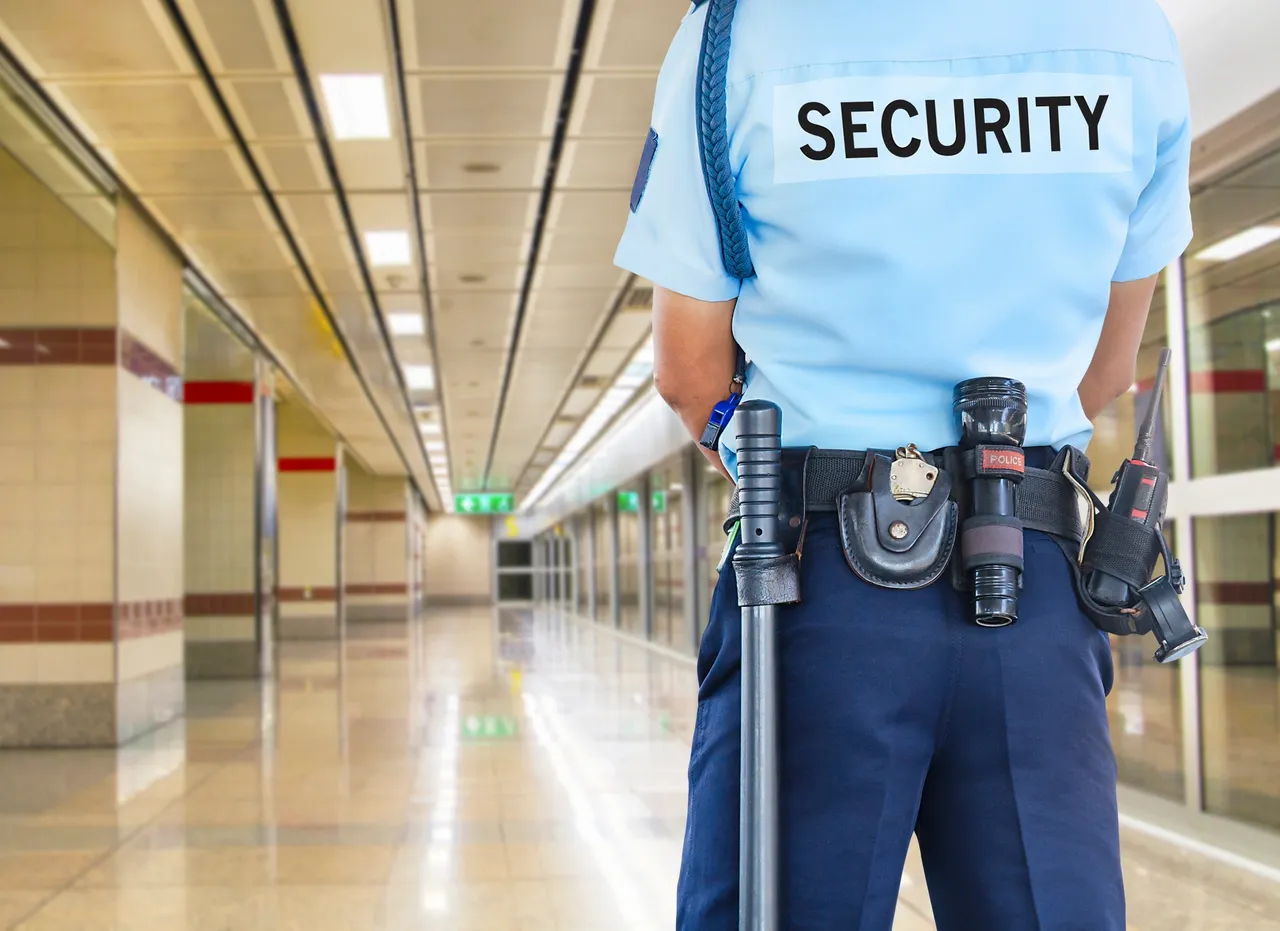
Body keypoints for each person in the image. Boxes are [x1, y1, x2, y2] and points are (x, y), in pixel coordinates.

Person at [613, 0, 1192, 929]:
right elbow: (1108, 370)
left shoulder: (737, 36)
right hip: (1038, 579)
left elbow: (689, 374)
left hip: (811, 588)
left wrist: (770, 471)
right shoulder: (1131, 31)